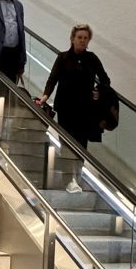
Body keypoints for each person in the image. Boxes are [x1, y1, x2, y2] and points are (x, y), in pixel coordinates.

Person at [34, 23, 109, 192]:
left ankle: (77, 176)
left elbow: (105, 79)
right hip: (66, 108)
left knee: (81, 144)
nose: (82, 41)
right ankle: (68, 179)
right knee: (66, 143)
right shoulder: (63, 58)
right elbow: (53, 78)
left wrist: (98, 91)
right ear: (72, 39)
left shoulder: (92, 59)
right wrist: (45, 96)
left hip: (85, 109)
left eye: (85, 38)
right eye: (79, 37)